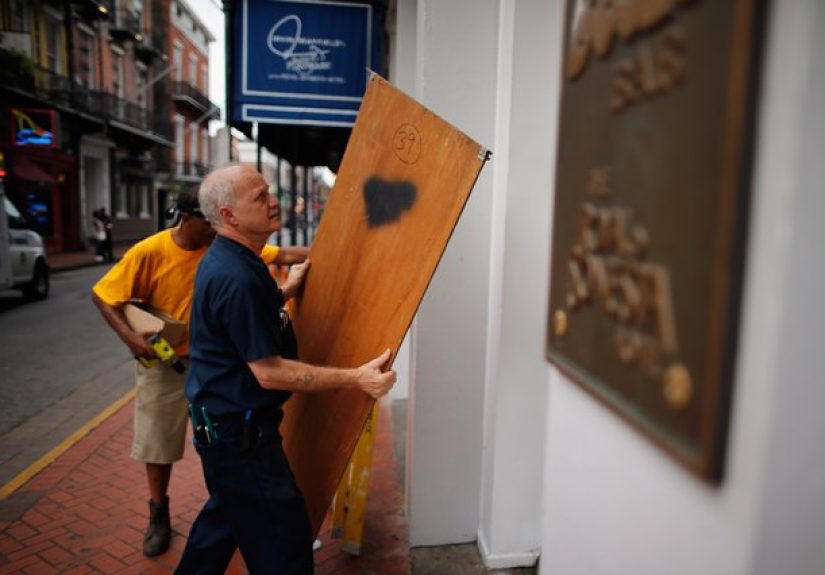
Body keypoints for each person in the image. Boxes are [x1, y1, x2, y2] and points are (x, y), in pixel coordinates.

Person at [175, 165, 396, 574]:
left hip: (223, 432)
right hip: (240, 442)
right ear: (228, 215)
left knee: (219, 530)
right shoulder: (236, 274)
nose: (273, 201)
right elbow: (269, 373)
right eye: (259, 197)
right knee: (285, 549)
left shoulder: (238, 260)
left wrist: (283, 293)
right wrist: (356, 377)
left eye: (268, 191)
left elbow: (239, 322)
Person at [91, 187, 306, 557]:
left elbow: (285, 254)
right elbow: (103, 294)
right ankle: (158, 511)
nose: (218, 227)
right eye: (210, 220)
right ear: (189, 218)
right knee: (158, 442)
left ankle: (227, 509)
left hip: (213, 366)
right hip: (166, 363)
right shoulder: (150, 251)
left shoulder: (223, 247)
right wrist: (130, 338)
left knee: (224, 446)